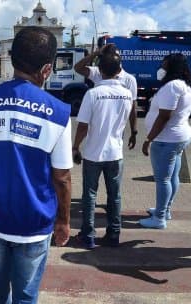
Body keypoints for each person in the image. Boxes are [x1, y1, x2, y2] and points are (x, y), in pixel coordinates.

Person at [0, 26, 73, 304]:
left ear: (12, 60)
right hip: (34, 226)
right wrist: (63, 221)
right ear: (47, 69)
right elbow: (62, 177)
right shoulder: (58, 112)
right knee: (25, 299)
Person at [72, 50, 134, 249]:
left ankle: (88, 235)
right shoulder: (127, 94)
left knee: (89, 194)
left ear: (99, 70)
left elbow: (82, 126)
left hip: (93, 153)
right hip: (116, 153)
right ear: (119, 71)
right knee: (114, 195)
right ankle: (114, 234)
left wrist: (75, 147)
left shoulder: (93, 94)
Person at [139, 53, 191, 229]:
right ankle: (165, 209)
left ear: (172, 67)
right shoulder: (183, 85)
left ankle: (159, 218)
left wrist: (149, 139)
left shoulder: (172, 86)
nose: (161, 68)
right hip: (177, 138)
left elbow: (164, 117)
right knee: (172, 177)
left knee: (162, 179)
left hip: (166, 140)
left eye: (164, 65)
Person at [74, 43, 138, 143]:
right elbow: (78, 68)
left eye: (114, 56)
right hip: (97, 125)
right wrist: (96, 53)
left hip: (116, 129)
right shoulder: (98, 72)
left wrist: (134, 131)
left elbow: (133, 108)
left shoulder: (129, 79)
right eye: (108, 56)